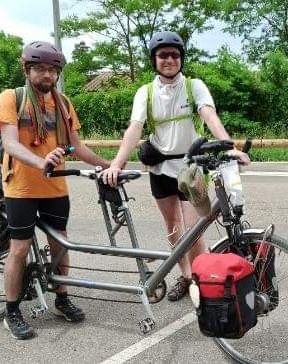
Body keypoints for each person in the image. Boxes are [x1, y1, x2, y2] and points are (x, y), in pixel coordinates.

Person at [102, 31, 250, 302]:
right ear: (154, 60)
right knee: (172, 226)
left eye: (174, 55)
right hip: (160, 170)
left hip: (192, 168)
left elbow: (210, 115)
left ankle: (203, 279)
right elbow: (134, 129)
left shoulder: (194, 86)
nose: (169, 59)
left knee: (194, 230)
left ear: (181, 58)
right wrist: (116, 163)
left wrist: (228, 147)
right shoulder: (145, 93)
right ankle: (185, 276)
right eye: (163, 55)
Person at [0, 41, 109, 340]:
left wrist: (109, 165)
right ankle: (11, 311)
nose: (47, 75)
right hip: (20, 186)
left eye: (52, 70)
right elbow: (11, 143)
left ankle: (61, 297)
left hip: (55, 185)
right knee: (18, 248)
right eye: (40, 69)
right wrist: (41, 161)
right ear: (27, 70)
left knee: (61, 243)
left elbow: (77, 145)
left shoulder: (64, 103)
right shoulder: (11, 98)